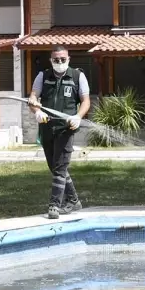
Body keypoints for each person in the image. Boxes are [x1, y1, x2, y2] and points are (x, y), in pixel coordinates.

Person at [29, 45, 91, 219]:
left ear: (69, 59)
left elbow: (86, 101)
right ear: (51, 60)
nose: (60, 62)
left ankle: (55, 206)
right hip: (47, 127)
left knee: (60, 168)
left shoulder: (78, 76)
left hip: (66, 128)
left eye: (63, 59)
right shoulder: (43, 76)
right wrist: (37, 112)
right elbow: (33, 98)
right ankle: (74, 201)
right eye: (56, 60)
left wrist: (78, 116)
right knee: (54, 167)